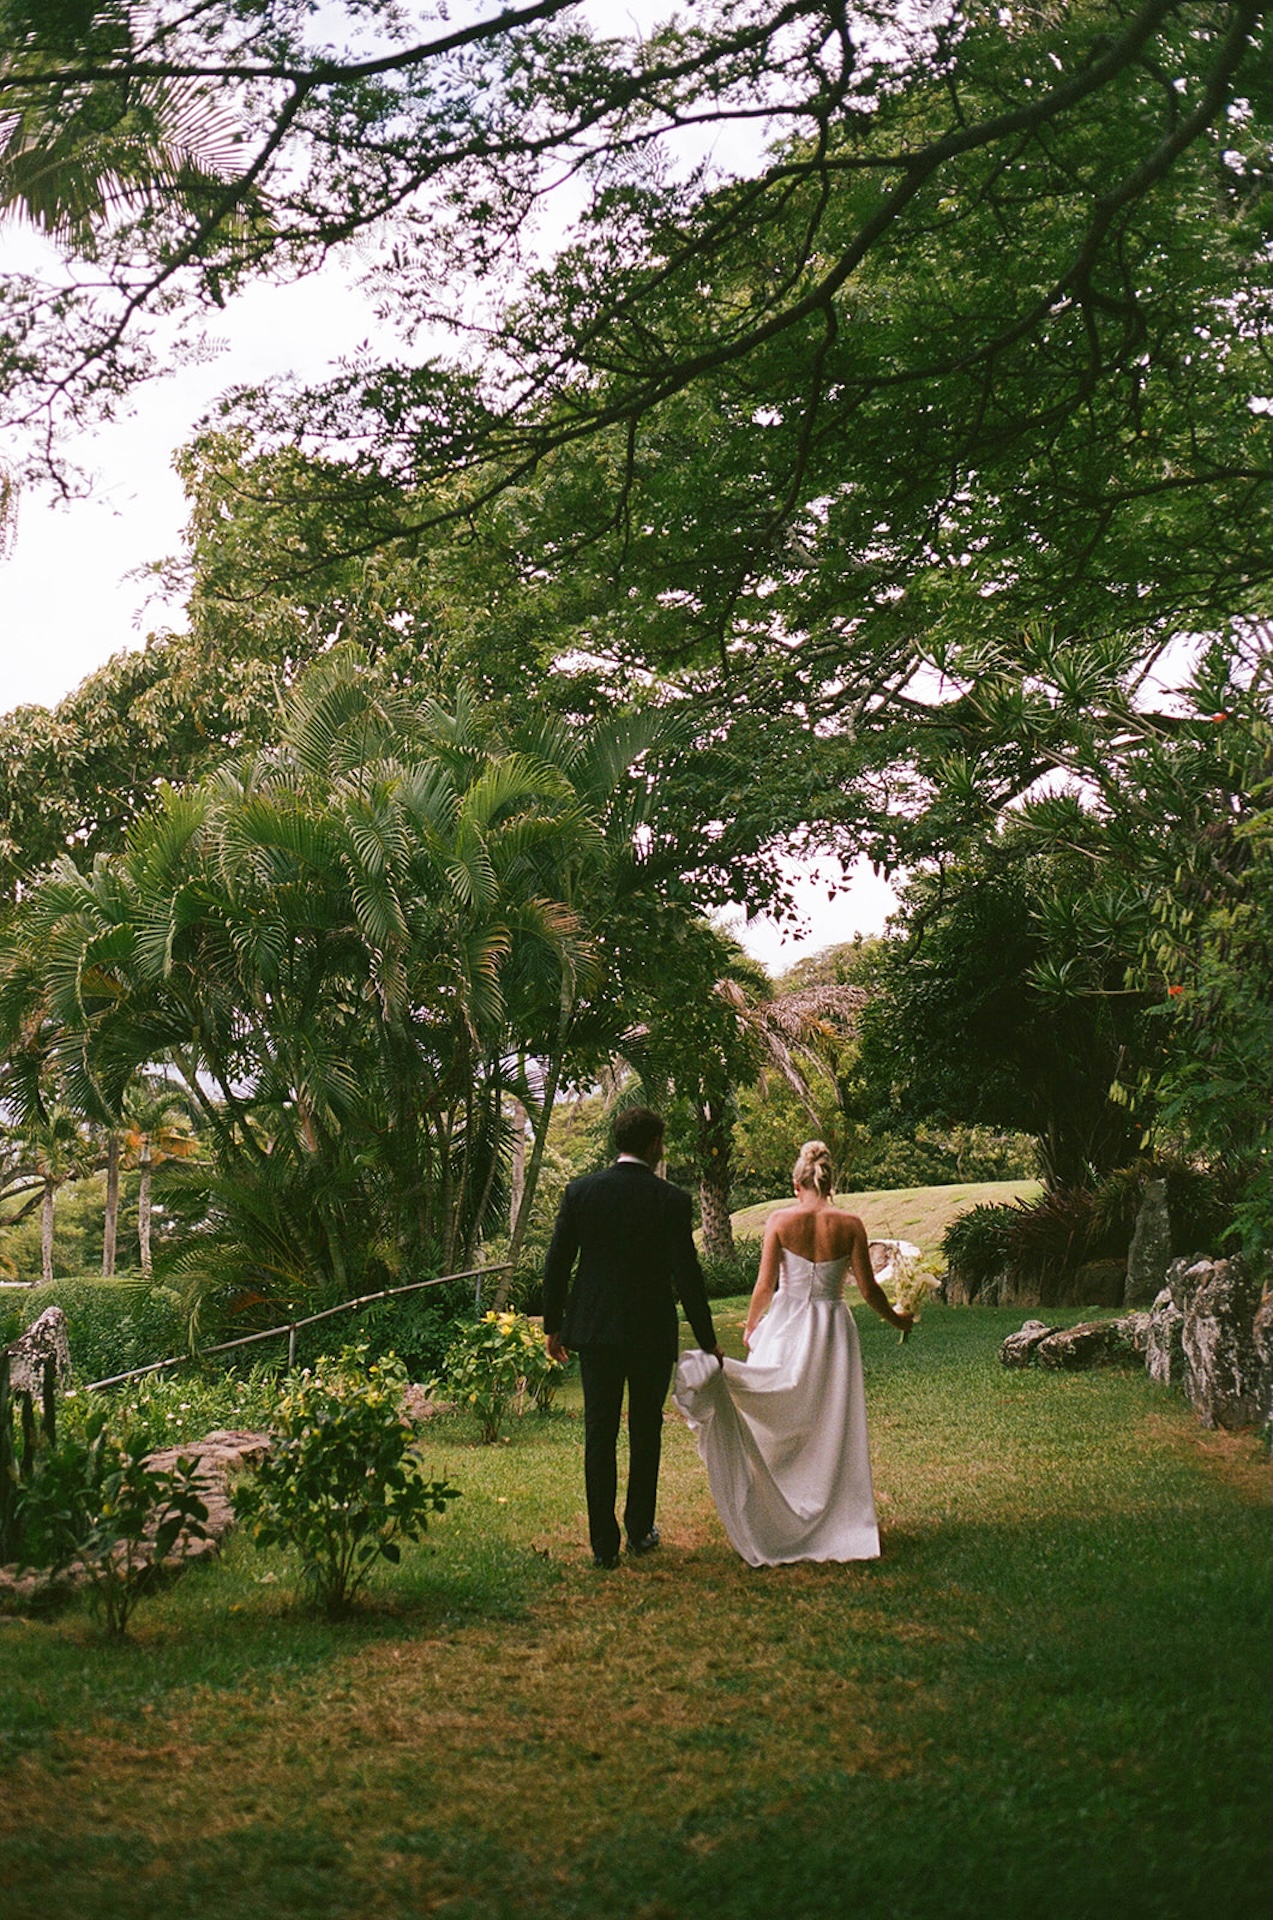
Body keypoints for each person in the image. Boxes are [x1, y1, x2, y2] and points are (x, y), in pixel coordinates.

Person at [672, 1139, 912, 1568]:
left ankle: (775, 1507)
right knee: (828, 1422)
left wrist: (750, 1327)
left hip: (786, 1325)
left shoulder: (781, 1220)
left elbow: (765, 1285)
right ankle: (834, 1513)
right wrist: (898, 1319)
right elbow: (869, 1289)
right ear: (829, 1181)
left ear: (796, 1182)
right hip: (833, 1331)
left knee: (777, 1409)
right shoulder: (851, 1223)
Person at [543, 1106, 724, 1568]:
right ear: (653, 1145)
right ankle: (640, 1530)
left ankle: (604, 1545)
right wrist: (707, 1340)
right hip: (648, 1331)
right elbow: (688, 1276)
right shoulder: (670, 1200)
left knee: (599, 1435)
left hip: (597, 1332)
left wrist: (553, 1325)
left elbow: (558, 1263)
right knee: (646, 1431)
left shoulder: (581, 1192)